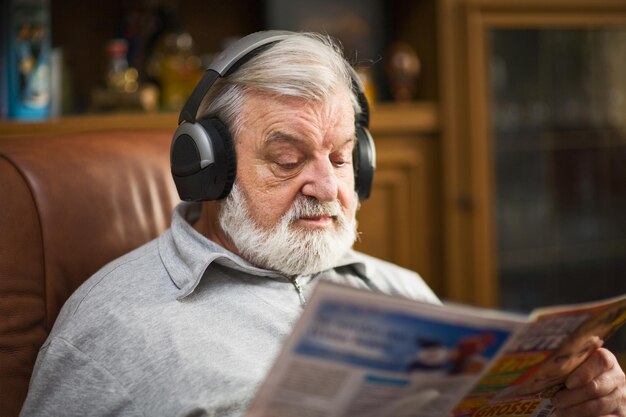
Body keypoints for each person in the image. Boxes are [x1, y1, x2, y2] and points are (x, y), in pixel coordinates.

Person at [19, 31, 626, 417]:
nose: (329, 187)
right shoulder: (111, 329)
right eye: (287, 161)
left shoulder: (400, 289)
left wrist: (577, 407)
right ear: (207, 167)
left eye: (340, 157)